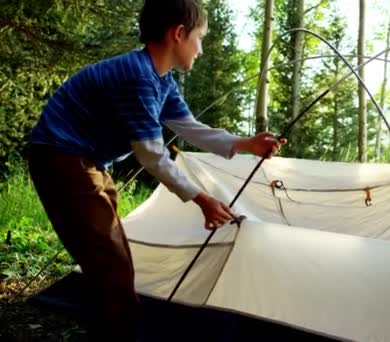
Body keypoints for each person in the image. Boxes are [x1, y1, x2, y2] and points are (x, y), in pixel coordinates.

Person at [26, 0, 285, 340]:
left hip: (85, 160)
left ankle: (108, 325)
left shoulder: (161, 80)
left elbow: (188, 127)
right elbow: (151, 154)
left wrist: (245, 143)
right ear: (178, 34)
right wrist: (201, 198)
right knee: (109, 258)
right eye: (200, 38)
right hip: (61, 156)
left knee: (110, 252)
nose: (202, 49)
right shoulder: (137, 77)